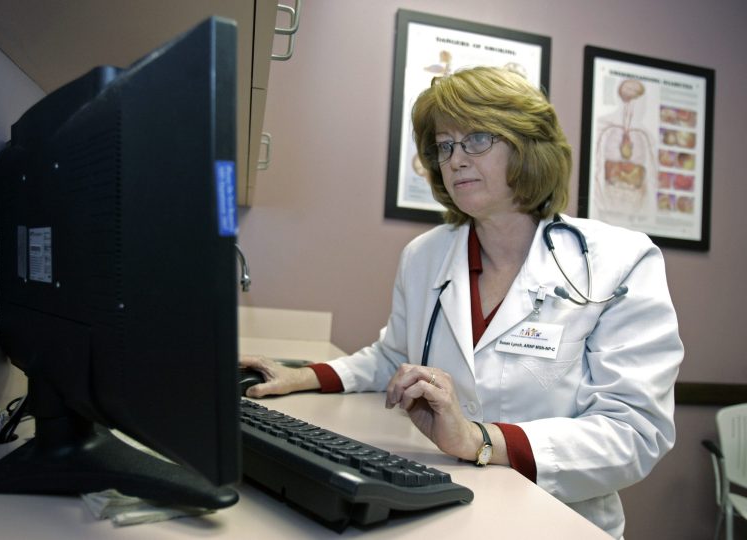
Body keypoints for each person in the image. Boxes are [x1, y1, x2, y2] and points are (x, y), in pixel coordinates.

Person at [240, 66, 683, 538]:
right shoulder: (426, 254)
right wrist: (302, 375)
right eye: (444, 146)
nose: (454, 160)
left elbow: (634, 433)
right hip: (450, 508)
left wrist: (481, 440)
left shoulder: (619, 259)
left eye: (476, 139)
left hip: (558, 519)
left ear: (528, 145)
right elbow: (394, 354)